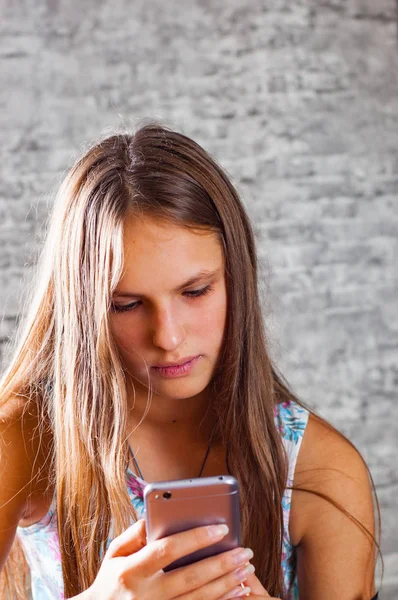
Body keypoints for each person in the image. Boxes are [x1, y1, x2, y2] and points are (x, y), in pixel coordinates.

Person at [0, 122, 380, 600]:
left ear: (236, 277)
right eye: (127, 304)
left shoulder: (319, 471)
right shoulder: (24, 438)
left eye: (195, 291)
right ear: (83, 307)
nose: (169, 337)